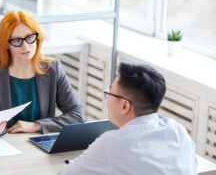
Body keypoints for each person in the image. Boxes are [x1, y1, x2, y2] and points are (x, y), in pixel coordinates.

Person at [58, 62, 197, 175]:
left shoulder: (111, 144)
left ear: (124, 106)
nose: (107, 100)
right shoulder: (179, 131)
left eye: (109, 93)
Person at [0, 10, 83, 134]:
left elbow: (77, 116)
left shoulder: (53, 69)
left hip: (40, 141)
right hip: (6, 142)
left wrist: (36, 125)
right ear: (6, 44)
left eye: (30, 37)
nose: (26, 46)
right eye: (17, 41)